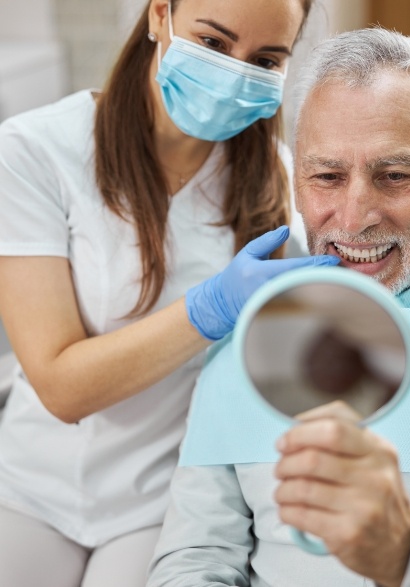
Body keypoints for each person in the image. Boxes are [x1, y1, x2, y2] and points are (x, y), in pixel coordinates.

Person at [147, 27, 410, 587]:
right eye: (327, 176)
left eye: (394, 176)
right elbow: (195, 557)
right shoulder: (246, 342)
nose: (354, 218)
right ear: (297, 184)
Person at [0, 1, 349, 585]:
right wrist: (209, 309)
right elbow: (61, 387)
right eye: (213, 43)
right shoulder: (34, 151)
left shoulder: (282, 184)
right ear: (160, 14)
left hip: (164, 499)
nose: (236, 72)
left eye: (265, 59)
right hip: (32, 484)